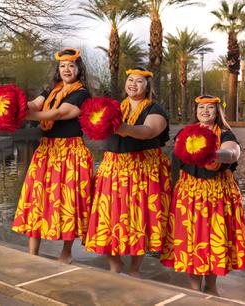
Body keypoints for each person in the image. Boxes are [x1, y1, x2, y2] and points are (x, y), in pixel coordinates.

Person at [85, 67, 171, 277]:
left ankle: (134, 268)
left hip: (142, 169)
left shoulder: (155, 110)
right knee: (107, 218)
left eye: (139, 81)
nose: (133, 84)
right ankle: (115, 263)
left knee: (138, 221)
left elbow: (148, 131)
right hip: (112, 167)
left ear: (148, 86)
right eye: (130, 80)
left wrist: (118, 126)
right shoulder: (114, 107)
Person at [160, 95, 245, 293]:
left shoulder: (225, 135)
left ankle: (211, 286)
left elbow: (233, 153)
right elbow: (176, 163)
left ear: (217, 111)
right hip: (189, 193)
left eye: (210, 107)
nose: (205, 111)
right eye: (201, 107)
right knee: (190, 242)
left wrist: (211, 153)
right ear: (195, 111)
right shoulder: (185, 133)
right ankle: (194, 288)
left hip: (217, 194)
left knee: (212, 241)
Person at [11, 48, 93, 264]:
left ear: (79, 69)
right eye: (63, 66)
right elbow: (34, 104)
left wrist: (26, 115)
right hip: (46, 150)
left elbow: (59, 113)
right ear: (58, 69)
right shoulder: (51, 91)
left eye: (71, 65)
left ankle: (66, 253)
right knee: (37, 199)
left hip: (70, 152)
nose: (67, 69)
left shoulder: (82, 93)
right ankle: (32, 254)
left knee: (68, 201)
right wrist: (15, 105)